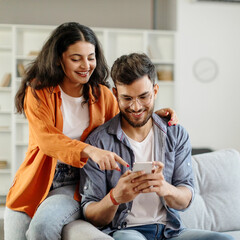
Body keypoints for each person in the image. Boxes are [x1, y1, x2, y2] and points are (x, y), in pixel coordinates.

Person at [4, 22, 178, 240]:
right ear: (59, 59)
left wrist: (150, 113)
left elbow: (123, 120)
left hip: (77, 183)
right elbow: (46, 139)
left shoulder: (102, 95)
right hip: (36, 177)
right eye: (76, 58)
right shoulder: (39, 91)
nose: (86, 65)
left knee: (42, 227)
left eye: (91, 57)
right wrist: (90, 150)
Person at [80, 53, 234, 240]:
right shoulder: (98, 142)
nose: (136, 107)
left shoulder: (175, 134)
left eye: (143, 97)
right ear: (115, 95)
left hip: (171, 232)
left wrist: (164, 188)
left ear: (155, 91)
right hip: (127, 232)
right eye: (127, 98)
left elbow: (186, 197)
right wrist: (115, 197)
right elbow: (91, 214)